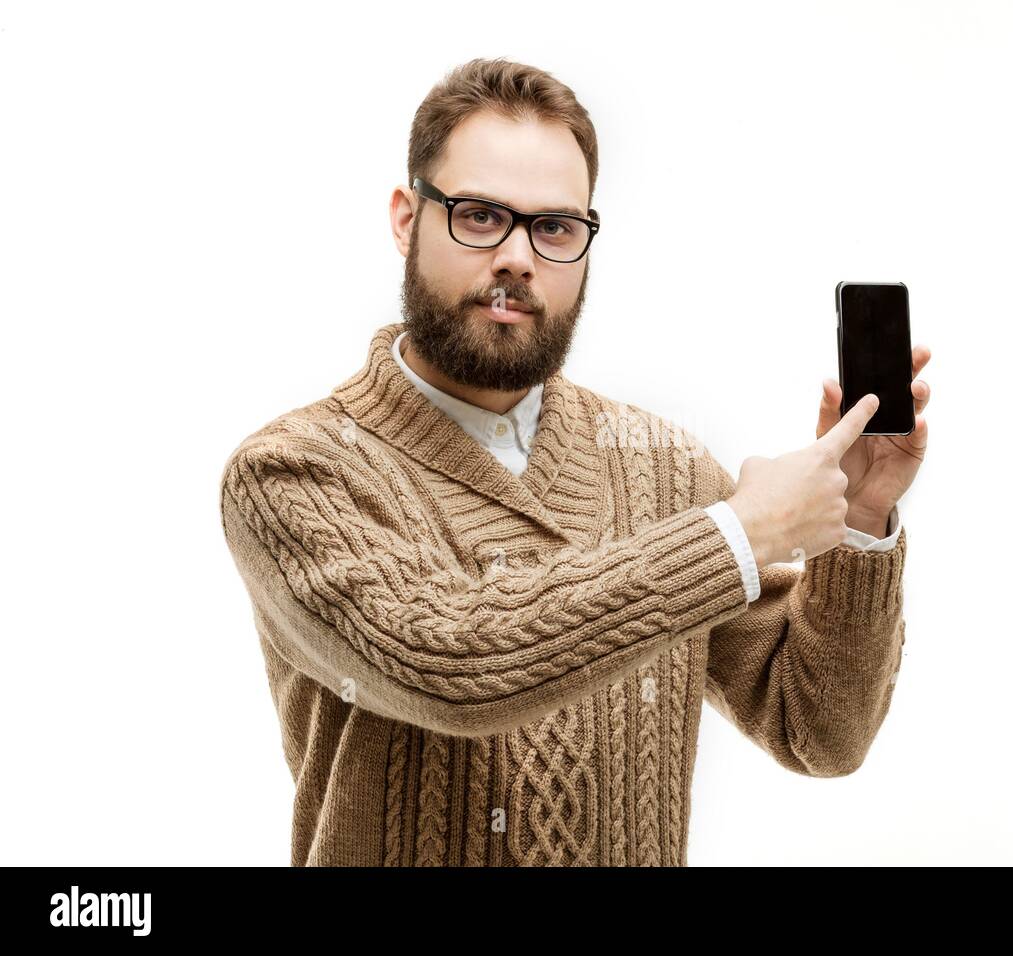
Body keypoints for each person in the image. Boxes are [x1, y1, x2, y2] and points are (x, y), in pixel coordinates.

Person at [218, 56, 932, 866]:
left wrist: (864, 520)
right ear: (404, 218)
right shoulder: (293, 473)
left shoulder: (663, 466)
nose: (519, 257)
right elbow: (451, 665)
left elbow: (819, 730)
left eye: (555, 227)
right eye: (481, 215)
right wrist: (736, 534)